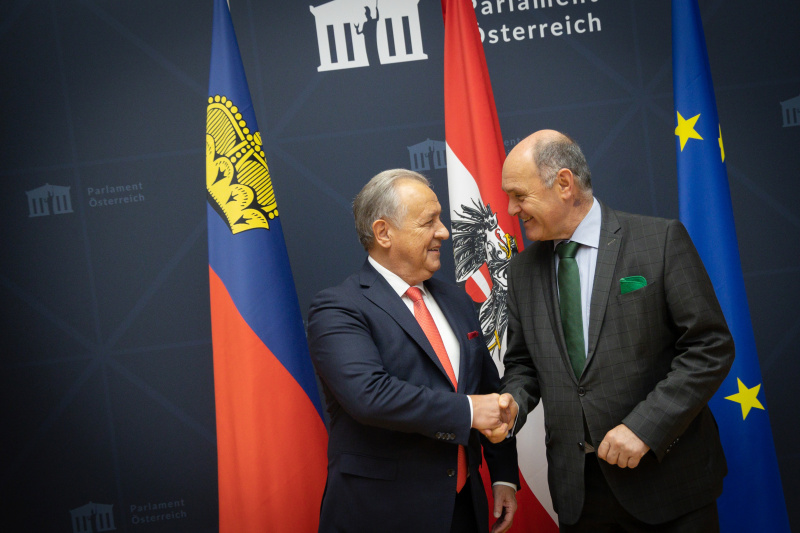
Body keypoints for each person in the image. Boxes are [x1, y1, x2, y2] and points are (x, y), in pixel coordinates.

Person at [490, 130, 734, 531]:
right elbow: (522, 364)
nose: (512, 209)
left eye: (519, 194)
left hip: (668, 483)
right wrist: (512, 403)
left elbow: (710, 348)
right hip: (581, 495)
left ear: (564, 184)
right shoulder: (521, 271)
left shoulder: (659, 241)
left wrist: (644, 427)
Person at [307, 169, 519, 533]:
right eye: (429, 222)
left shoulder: (455, 296)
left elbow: (488, 389)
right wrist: (469, 410)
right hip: (383, 515)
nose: (444, 232)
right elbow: (369, 396)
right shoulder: (338, 308)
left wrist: (503, 476)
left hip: (464, 508)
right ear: (383, 233)